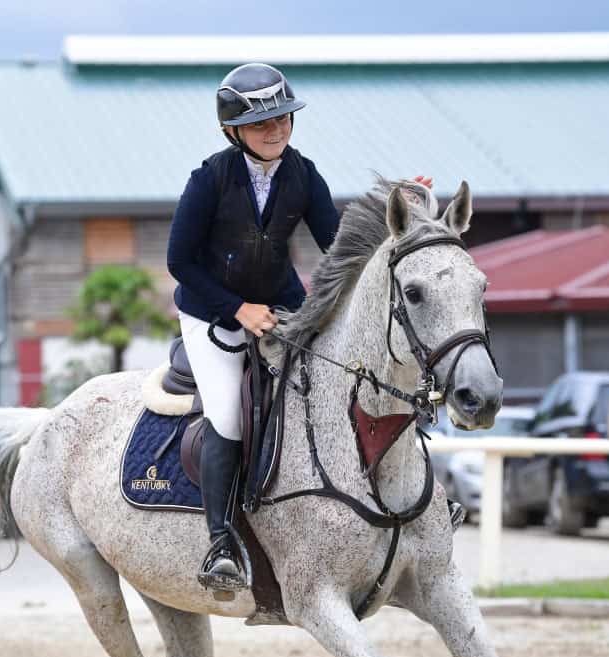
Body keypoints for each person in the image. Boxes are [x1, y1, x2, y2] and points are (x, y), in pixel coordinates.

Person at [166, 63, 439, 592]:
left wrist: (395, 211)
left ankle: (416, 502)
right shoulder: (209, 179)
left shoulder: (303, 174)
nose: (276, 131)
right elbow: (180, 262)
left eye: (283, 119)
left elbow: (340, 245)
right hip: (210, 308)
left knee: (344, 383)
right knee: (228, 413)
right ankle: (221, 541)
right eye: (263, 124)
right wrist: (237, 309)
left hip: (285, 305)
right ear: (233, 132)